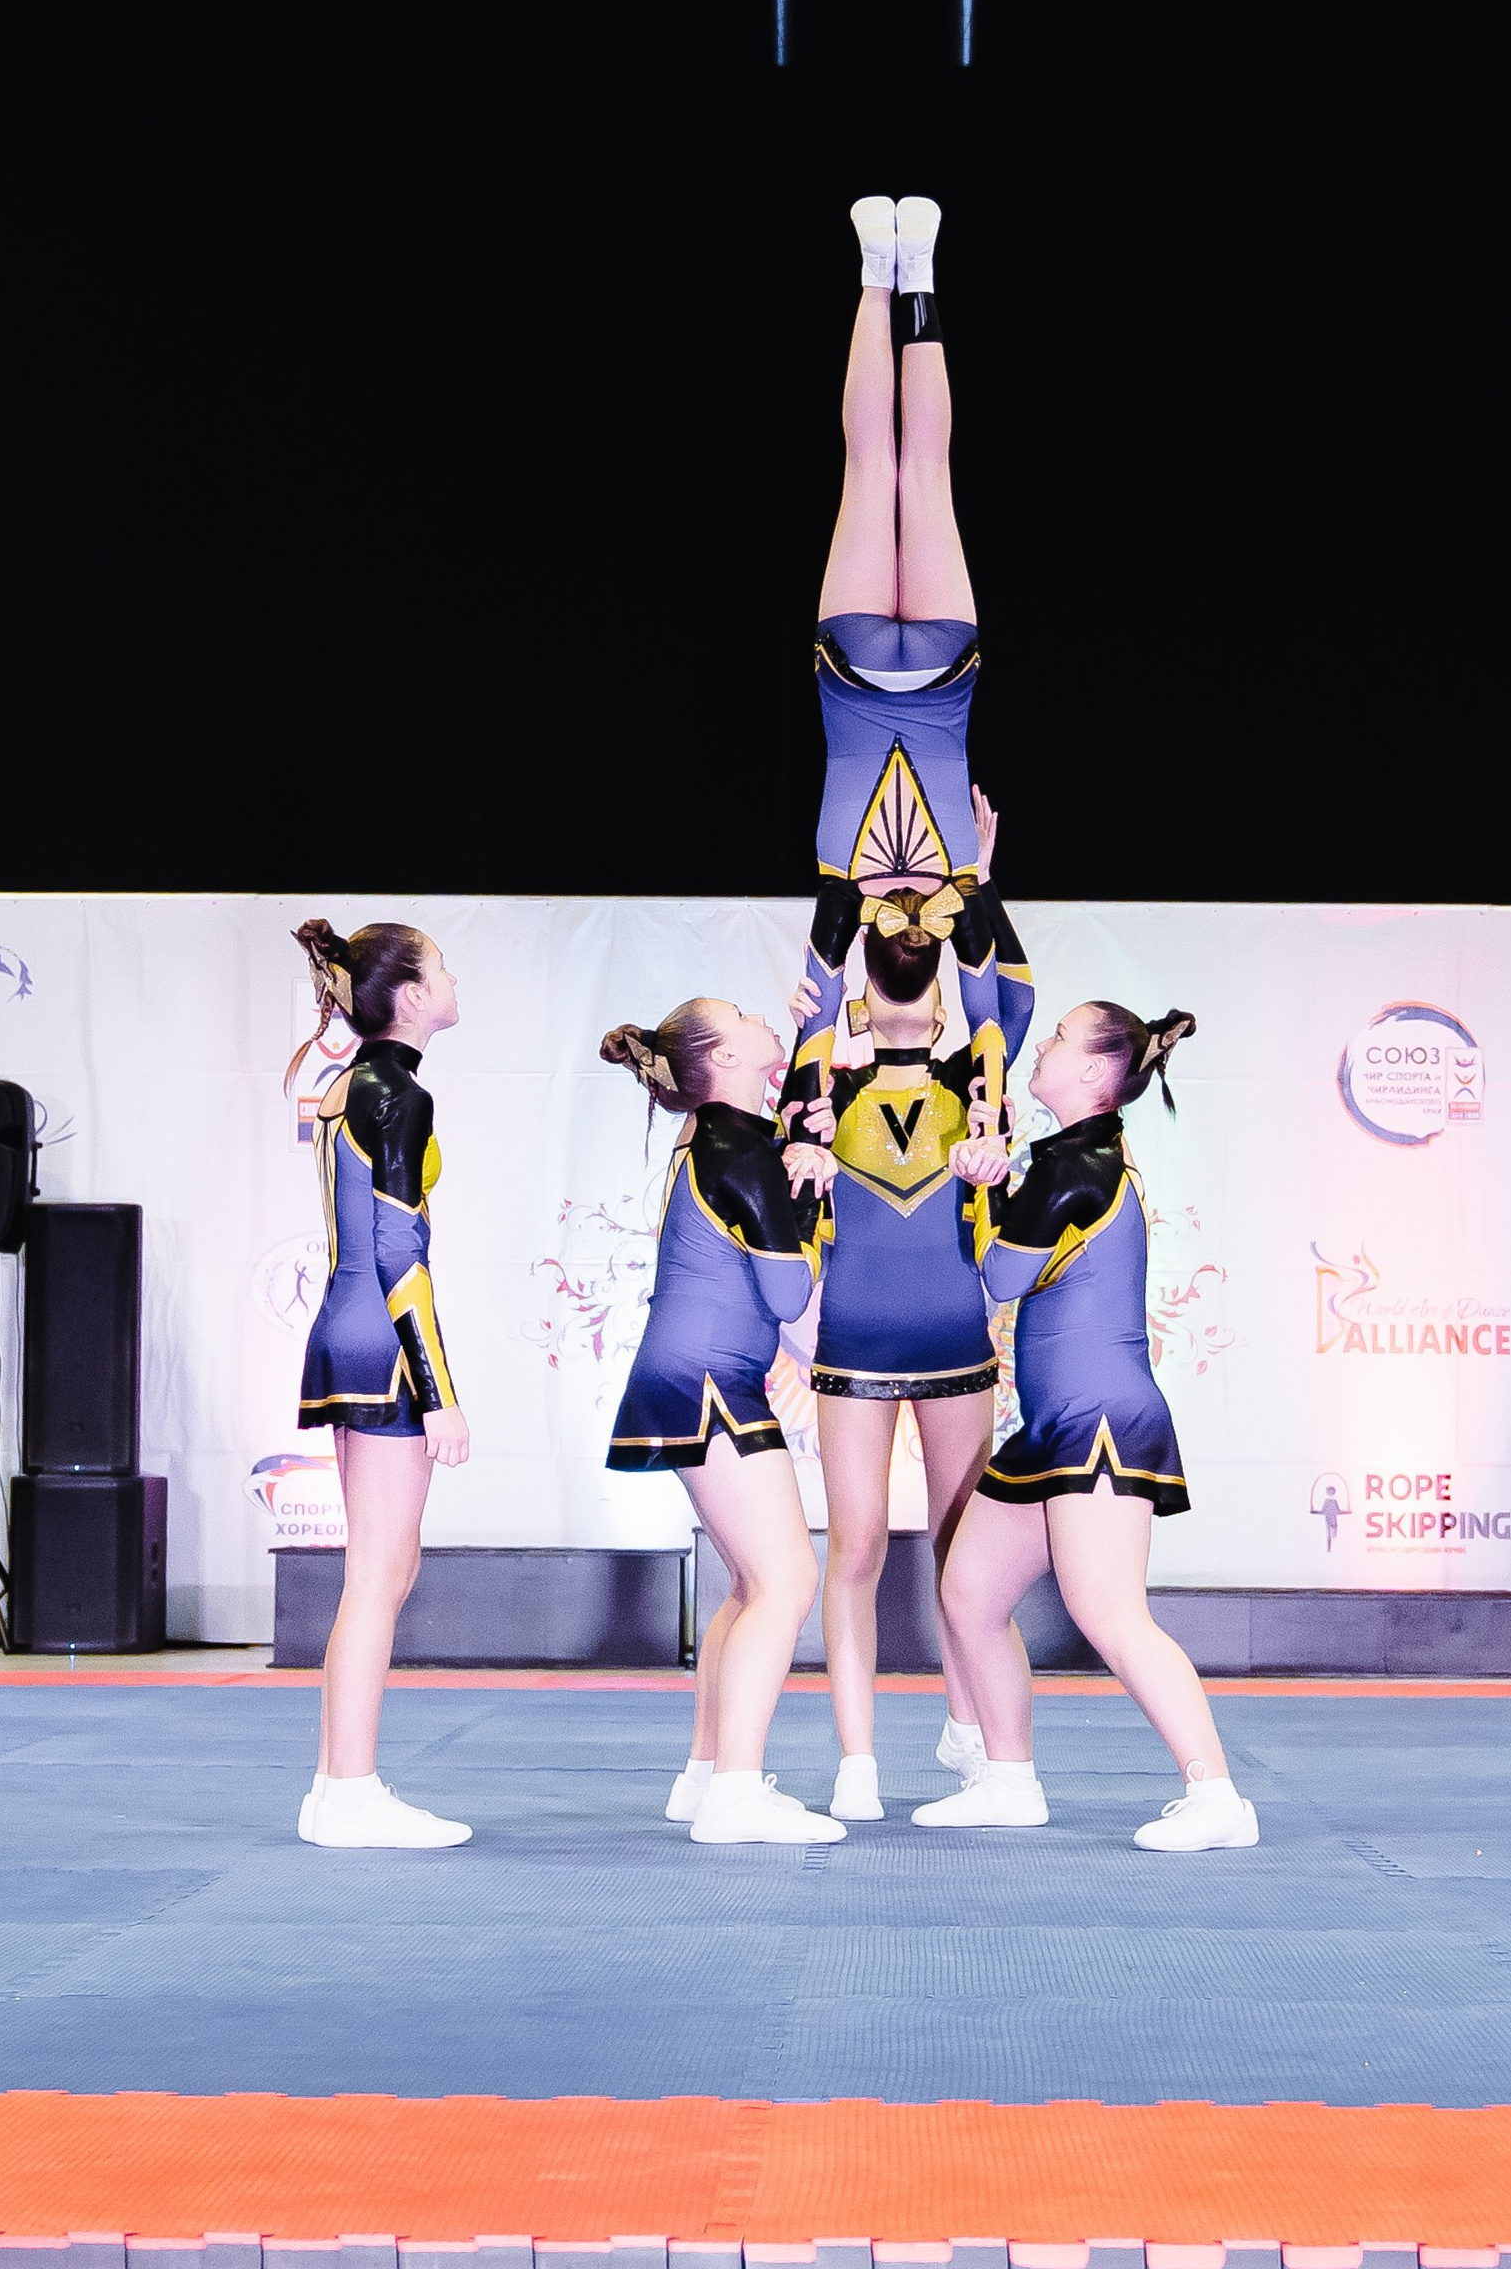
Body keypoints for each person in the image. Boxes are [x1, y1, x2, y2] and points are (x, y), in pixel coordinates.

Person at [777, 194, 1035, 1812]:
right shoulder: (958, 953)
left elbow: (823, 1021)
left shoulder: (845, 934)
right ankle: (904, 270)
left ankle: (894, 270)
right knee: (901, 473)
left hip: (852, 685)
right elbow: (994, 1004)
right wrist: (981, 879)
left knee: (882, 472)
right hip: (937, 689)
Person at [914, 1002, 1261, 1855]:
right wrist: (993, 1175)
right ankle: (1008, 1780)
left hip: (1099, 1421)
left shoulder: (1078, 1165)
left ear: (1098, 1071)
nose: (1043, 1045)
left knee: (1110, 1610)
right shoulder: (1078, 1157)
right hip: (1055, 1425)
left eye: (1061, 1037)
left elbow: (1000, 1275)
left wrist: (981, 1183)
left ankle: (1216, 1794)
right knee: (969, 1592)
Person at [782, 882, 1030, 1822]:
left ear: (940, 1006)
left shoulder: (978, 1083)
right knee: (857, 1547)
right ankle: (857, 1759)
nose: (910, 990)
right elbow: (812, 1023)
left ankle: (967, 1731)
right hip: (854, 1342)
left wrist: (974, 888)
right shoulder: (824, 1090)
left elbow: (1008, 1003)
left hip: (955, 1341)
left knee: (959, 1547)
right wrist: (840, 909)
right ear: (858, 1001)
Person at [602, 999, 845, 1846]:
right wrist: (807, 1192)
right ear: (725, 1057)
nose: (757, 1012)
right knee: (787, 1581)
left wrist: (798, 1150)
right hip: (712, 1380)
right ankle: (736, 1792)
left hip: (698, 1373)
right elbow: (790, 1296)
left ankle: (707, 1775)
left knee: (752, 1582)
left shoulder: (716, 1136)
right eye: (741, 1014)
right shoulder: (737, 1149)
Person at [287, 917, 472, 1850]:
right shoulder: (396, 1094)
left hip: (347, 1325)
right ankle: (349, 1790)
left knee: (385, 1571)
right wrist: (439, 1391)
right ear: (409, 994)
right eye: (442, 968)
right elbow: (400, 1251)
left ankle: (336, 1785)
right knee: (376, 1575)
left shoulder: (349, 1086)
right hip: (382, 1338)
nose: (453, 979)